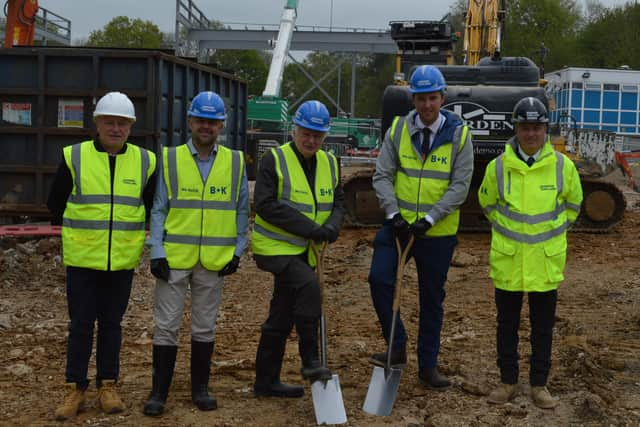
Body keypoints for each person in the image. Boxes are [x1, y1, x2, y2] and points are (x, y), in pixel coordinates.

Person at [48, 92, 157, 421]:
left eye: (122, 123)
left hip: (121, 261)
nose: (115, 128)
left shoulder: (145, 161)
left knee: (112, 325)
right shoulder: (74, 157)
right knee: (80, 325)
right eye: (109, 122)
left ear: (130, 127)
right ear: (97, 123)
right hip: (83, 260)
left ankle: (108, 385)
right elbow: (56, 205)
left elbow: (151, 208)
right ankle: (75, 388)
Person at [142, 91, 249, 416]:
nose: (206, 127)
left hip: (215, 260)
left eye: (213, 122)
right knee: (166, 326)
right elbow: (159, 209)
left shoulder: (235, 162)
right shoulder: (171, 158)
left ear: (221, 126)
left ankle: (200, 389)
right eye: (201, 120)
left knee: (204, 327)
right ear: (190, 122)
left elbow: (241, 211)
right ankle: (159, 392)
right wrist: (156, 251)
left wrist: (238, 251)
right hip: (174, 258)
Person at [368, 65, 473, 390]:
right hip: (397, 227)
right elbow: (382, 175)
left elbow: (460, 185)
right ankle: (396, 344)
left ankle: (428, 365)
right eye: (421, 99)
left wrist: (430, 219)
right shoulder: (398, 131)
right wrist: (394, 214)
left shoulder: (459, 134)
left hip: (436, 234)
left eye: (432, 98)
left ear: (442, 98)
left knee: (432, 300)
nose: (427, 105)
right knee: (379, 279)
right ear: (413, 99)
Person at [479, 97, 583, 409]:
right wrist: (509, 231)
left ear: (545, 129)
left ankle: (539, 385)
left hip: (544, 261)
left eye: (537, 127)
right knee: (506, 324)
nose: (531, 134)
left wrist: (551, 233)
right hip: (509, 259)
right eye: (525, 127)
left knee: (542, 327)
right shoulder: (498, 168)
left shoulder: (563, 167)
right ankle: (507, 381)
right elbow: (487, 204)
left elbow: (574, 205)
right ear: (517, 128)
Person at [251, 100, 345, 398]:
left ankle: (265, 382)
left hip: (306, 249)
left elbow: (338, 202)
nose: (311, 140)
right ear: (294, 130)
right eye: (306, 133)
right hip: (275, 248)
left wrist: (332, 226)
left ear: (325, 136)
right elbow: (265, 205)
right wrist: (311, 229)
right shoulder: (274, 159)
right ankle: (310, 360)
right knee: (308, 287)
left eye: (318, 136)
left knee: (281, 313)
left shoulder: (330, 162)